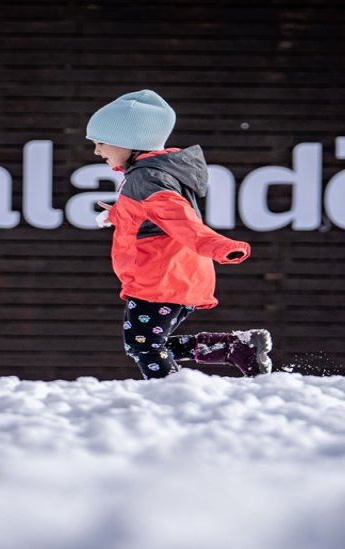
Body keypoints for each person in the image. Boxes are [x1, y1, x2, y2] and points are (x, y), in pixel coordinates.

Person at [87, 89, 273, 379]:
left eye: (101, 143)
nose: (97, 151)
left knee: (145, 345)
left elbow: (180, 219)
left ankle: (170, 391)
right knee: (145, 344)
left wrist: (219, 246)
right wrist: (117, 214)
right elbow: (152, 215)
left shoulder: (146, 178)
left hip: (161, 276)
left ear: (128, 142)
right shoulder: (147, 174)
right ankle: (235, 348)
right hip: (169, 273)